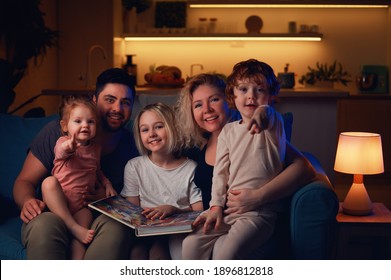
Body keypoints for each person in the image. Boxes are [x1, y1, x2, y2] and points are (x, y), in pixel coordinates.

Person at [175, 69, 317, 259]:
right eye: (198, 105)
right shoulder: (199, 146)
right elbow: (218, 175)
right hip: (224, 214)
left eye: (214, 99)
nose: (207, 109)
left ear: (228, 100)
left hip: (257, 213)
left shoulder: (264, 129)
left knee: (223, 252)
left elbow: (304, 167)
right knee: (190, 244)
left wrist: (258, 197)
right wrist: (213, 208)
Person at [13, 68, 139, 259]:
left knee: (117, 229)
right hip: (52, 212)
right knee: (43, 226)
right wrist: (27, 201)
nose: (117, 109)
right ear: (94, 100)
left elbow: (137, 204)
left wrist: (108, 199)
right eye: (110, 99)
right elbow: (24, 181)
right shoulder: (58, 132)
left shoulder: (134, 143)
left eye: (126, 102)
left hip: (95, 217)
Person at [120, 102, 203, 260]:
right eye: (145, 129)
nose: (151, 133)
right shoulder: (134, 166)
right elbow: (132, 211)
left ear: (172, 128)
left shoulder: (191, 167)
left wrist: (173, 209)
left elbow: (199, 210)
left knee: (159, 255)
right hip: (145, 232)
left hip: (178, 232)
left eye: (158, 126)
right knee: (136, 254)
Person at [41, 95, 117, 259]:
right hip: (59, 202)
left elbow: (97, 170)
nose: (85, 126)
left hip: (81, 205)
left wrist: (107, 183)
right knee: (48, 183)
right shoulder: (63, 142)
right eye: (78, 121)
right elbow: (61, 151)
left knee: (84, 231)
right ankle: (71, 226)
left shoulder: (96, 148)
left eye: (90, 122)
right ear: (65, 126)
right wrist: (69, 147)